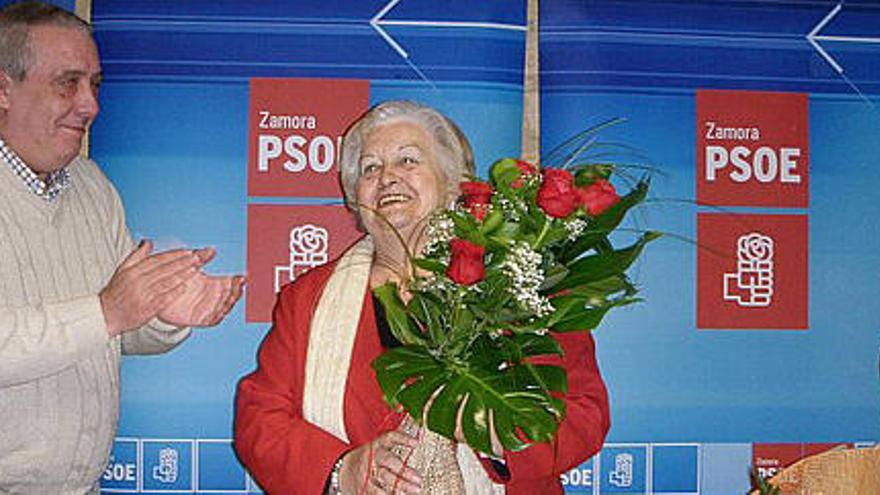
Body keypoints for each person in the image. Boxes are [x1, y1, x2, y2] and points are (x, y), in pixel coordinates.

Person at [234, 100, 609, 494]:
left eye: (408, 160)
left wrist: (495, 430)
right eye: (370, 168)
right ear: (353, 198)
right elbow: (260, 416)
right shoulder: (307, 298)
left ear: (452, 183)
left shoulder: (518, 284)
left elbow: (585, 413)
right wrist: (342, 469)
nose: (388, 178)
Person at [0, 2, 244, 493]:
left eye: (95, 84)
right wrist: (108, 311)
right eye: (67, 83)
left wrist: (166, 315)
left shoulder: (92, 186)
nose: (90, 105)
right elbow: (104, 317)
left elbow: (116, 331)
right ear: (4, 89)